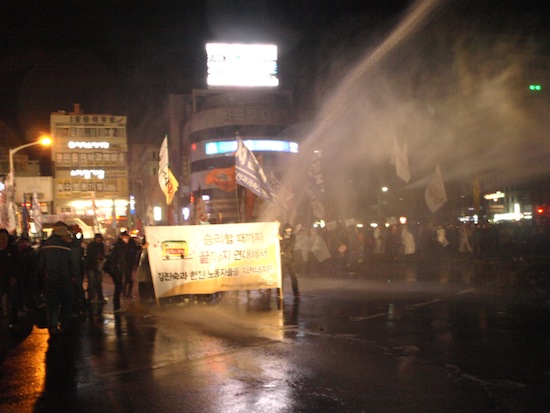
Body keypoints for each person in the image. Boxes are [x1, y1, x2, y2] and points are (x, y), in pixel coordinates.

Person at [38, 221, 80, 335]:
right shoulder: (67, 246)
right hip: (65, 277)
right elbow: (73, 263)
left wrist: (42, 275)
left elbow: (41, 263)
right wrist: (74, 276)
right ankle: (64, 323)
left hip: (50, 278)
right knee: (67, 301)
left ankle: (53, 325)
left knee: (52, 303)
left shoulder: (45, 245)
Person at [0, 229, 19, 328]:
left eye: (4, 236)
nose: (2, 239)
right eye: (1, 237)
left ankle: (13, 321)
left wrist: (14, 276)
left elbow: (17, 264)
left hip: (10, 278)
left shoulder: (13, 249)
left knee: (13, 299)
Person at [108, 231, 130, 312]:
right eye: (126, 237)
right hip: (116, 269)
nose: (127, 239)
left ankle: (117, 306)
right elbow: (119, 258)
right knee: (118, 286)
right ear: (121, 237)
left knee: (118, 286)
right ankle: (116, 307)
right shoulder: (120, 245)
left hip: (115, 269)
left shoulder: (117, 245)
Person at [279, 223, 300, 298]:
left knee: (293, 276)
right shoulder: (280, 236)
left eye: (290, 230)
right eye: (287, 230)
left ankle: (296, 292)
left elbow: (291, 243)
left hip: (290, 258)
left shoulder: (292, 236)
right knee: (281, 276)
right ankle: (279, 292)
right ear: (284, 230)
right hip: (282, 258)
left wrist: (282, 239)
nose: (289, 231)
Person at [85, 233, 106, 304]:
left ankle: (99, 297)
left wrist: (101, 259)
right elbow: (89, 256)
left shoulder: (101, 245)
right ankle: (91, 298)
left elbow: (103, 254)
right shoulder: (91, 245)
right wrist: (96, 258)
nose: (99, 240)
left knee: (98, 282)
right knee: (92, 282)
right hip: (91, 266)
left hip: (97, 266)